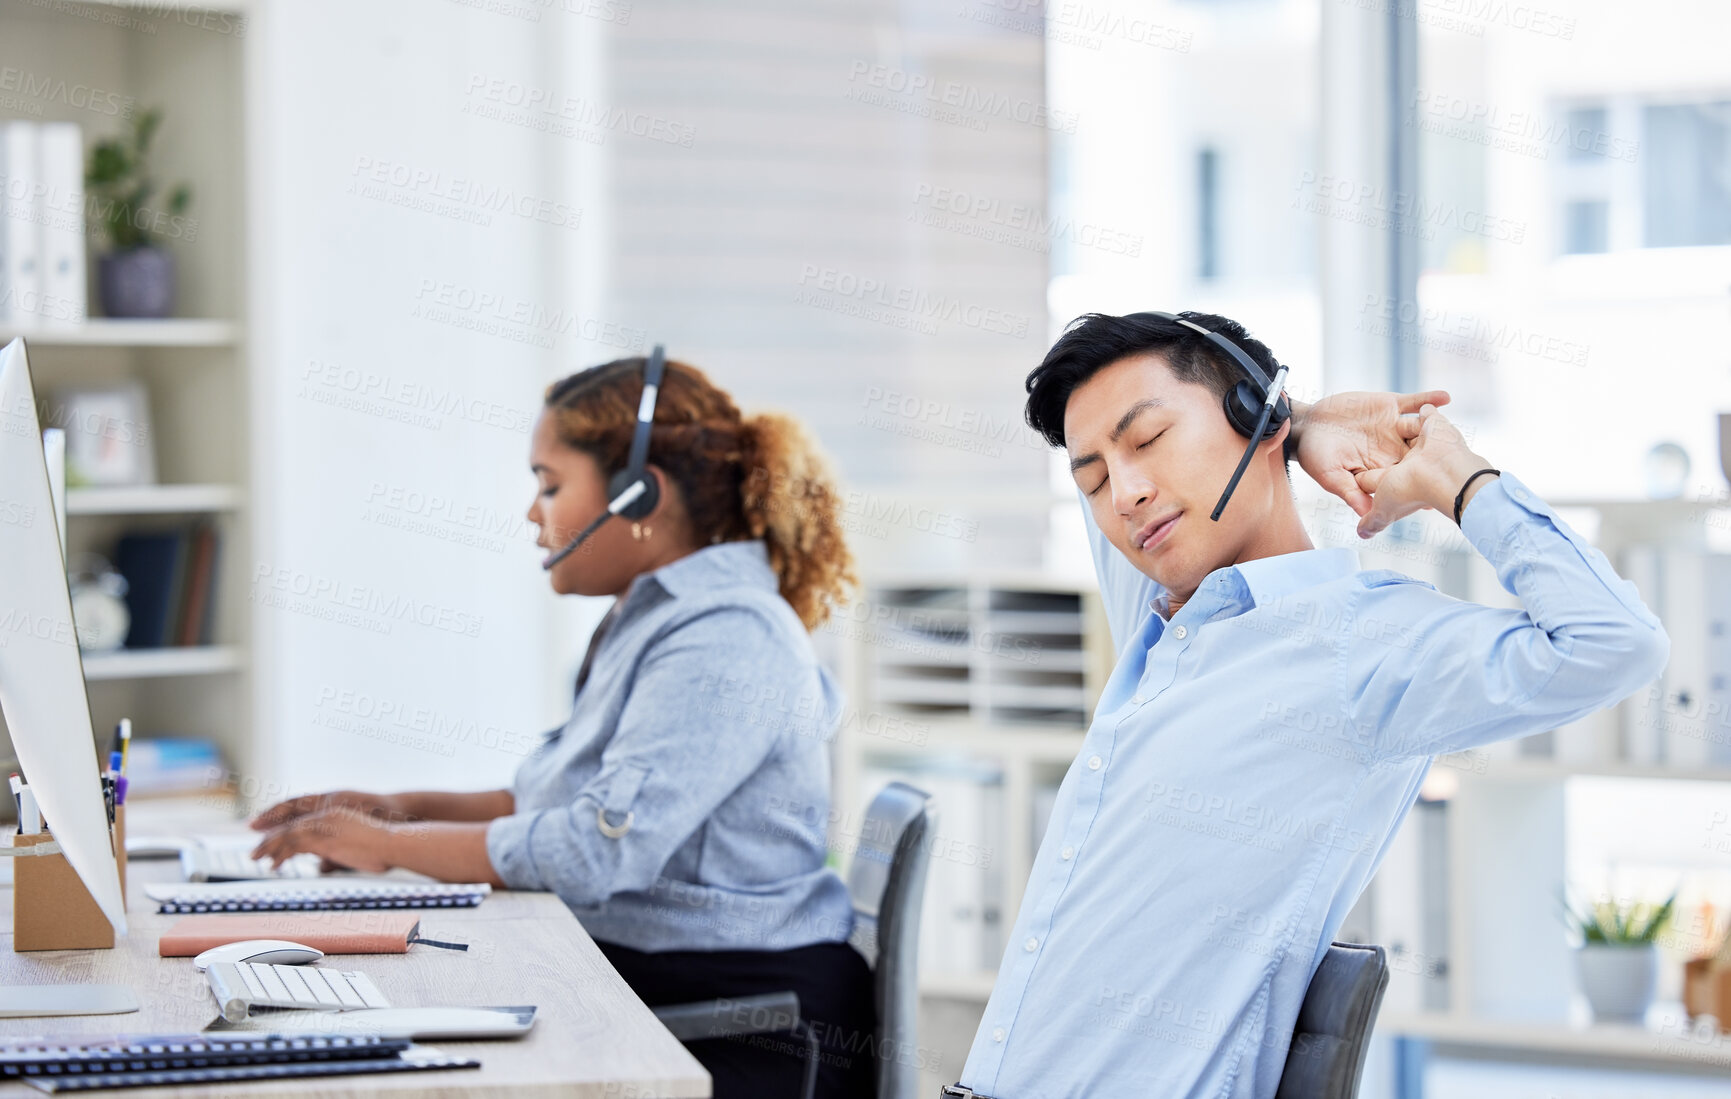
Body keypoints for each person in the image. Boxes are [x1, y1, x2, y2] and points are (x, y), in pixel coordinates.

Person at [944, 311, 1669, 1099]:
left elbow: (1615, 642)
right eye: (1091, 479)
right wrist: (1303, 426)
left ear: (1251, 414)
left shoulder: (1364, 643)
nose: (1124, 492)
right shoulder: (1160, 615)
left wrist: (1461, 481)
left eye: (1148, 440)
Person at [251, 354, 877, 1098]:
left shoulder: (724, 637)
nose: (530, 511)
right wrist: (397, 810)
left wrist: (389, 848)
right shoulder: (656, 618)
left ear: (639, 494)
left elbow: (593, 850)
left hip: (742, 1026)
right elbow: (555, 800)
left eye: (549, 484)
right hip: (666, 987)